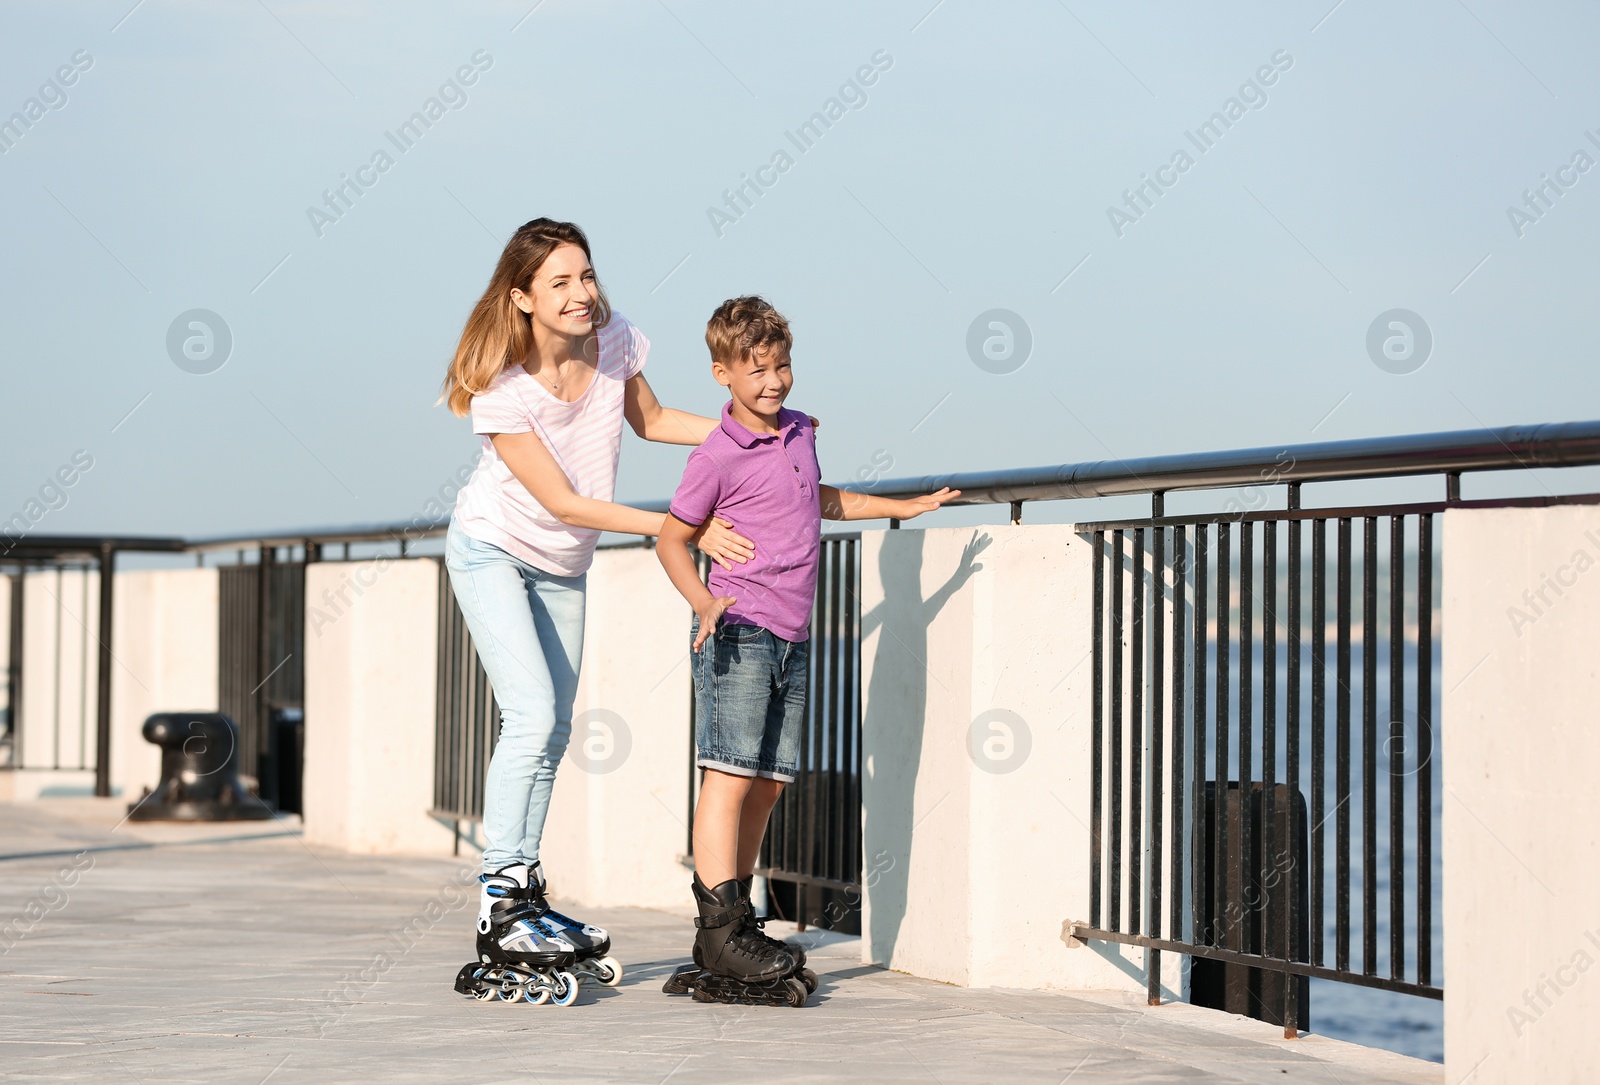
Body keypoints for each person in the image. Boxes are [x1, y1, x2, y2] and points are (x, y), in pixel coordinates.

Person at [439, 218, 756, 1003]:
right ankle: (499, 897)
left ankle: (526, 889)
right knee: (531, 710)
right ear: (522, 298)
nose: (583, 294)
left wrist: (745, 429)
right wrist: (680, 524)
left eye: (586, 275)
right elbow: (567, 499)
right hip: (491, 551)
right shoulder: (502, 390)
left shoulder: (613, 341)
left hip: (561, 563)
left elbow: (649, 422)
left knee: (553, 725)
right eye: (561, 283)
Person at [655, 296, 956, 1006]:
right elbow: (672, 538)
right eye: (756, 369)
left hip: (793, 632)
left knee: (769, 779)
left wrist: (900, 508)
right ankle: (721, 923)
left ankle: (731, 924)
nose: (774, 381)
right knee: (727, 776)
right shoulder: (717, 453)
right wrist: (702, 600)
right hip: (737, 628)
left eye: (783, 365)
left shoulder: (798, 432)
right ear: (722, 372)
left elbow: (816, 500)